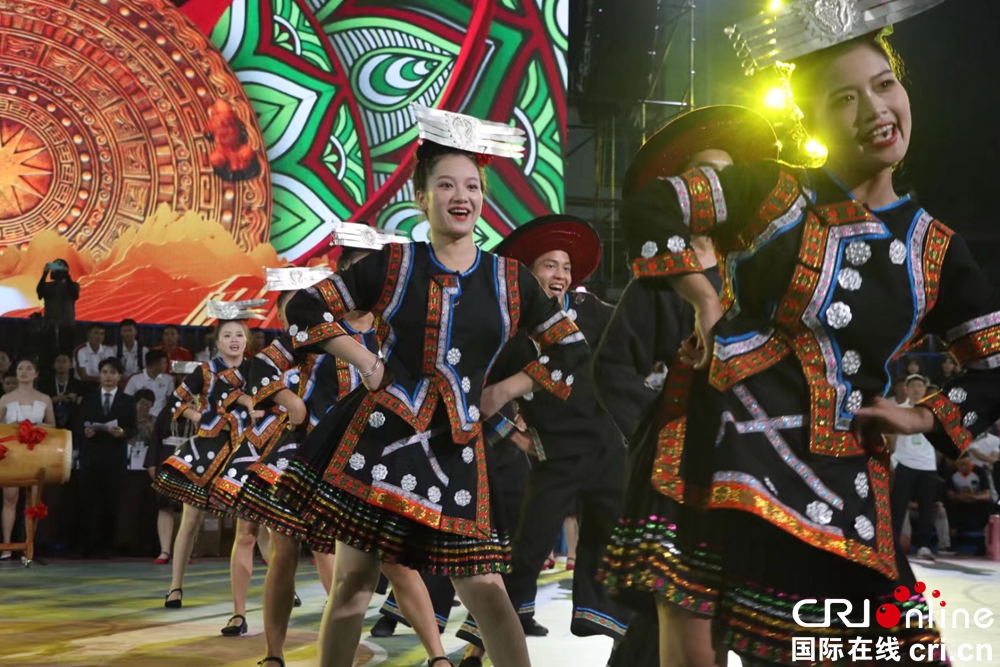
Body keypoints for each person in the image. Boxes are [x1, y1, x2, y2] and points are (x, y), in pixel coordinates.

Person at [617, 15, 1000, 662]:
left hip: (842, 481)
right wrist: (704, 298)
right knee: (694, 641)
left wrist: (920, 415)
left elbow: (993, 368)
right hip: (725, 448)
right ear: (811, 121)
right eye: (844, 99)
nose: (875, 110)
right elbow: (653, 206)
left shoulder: (935, 248)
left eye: (884, 85)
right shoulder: (771, 189)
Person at [272, 104, 586, 667]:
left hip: (456, 451)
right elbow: (304, 308)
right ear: (422, 197)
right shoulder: (392, 264)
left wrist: (503, 391)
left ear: (482, 198)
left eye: (471, 186)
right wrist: (364, 360)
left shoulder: (510, 279)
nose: (460, 196)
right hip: (377, 442)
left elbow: (571, 348)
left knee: (486, 589)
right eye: (445, 185)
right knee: (353, 586)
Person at [594, 105, 778, 667]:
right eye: (701, 176)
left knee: (766, 609)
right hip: (680, 468)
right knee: (672, 602)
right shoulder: (656, 282)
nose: (712, 189)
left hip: (760, 464)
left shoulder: (762, 274)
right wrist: (662, 423)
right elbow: (612, 367)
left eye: (725, 177)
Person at [489, 214, 630, 646]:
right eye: (550, 265)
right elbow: (478, 392)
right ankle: (490, 638)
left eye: (566, 267)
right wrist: (513, 435)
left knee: (609, 540)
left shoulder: (594, 312)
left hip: (607, 447)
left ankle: (605, 625)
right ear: (529, 272)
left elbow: (637, 336)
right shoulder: (511, 332)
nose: (560, 275)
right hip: (554, 456)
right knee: (529, 547)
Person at [153, 319, 253, 609]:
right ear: (217, 342)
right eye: (227, 335)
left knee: (254, 523)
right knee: (190, 520)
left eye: (239, 335)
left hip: (244, 450)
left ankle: (282, 585)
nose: (234, 340)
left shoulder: (255, 370)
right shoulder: (205, 371)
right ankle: (175, 586)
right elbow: (175, 401)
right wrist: (196, 416)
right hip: (206, 450)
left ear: (246, 341)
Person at [75, 358, 136, 559]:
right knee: (87, 501)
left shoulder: (127, 400)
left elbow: (133, 429)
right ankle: (86, 546)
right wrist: (85, 432)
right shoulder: (88, 398)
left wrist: (122, 433)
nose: (108, 376)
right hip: (90, 455)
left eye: (112, 372)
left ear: (119, 376)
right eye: (104, 372)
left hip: (114, 456)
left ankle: (107, 546)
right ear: (100, 375)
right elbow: (77, 425)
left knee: (111, 502)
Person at [0, 358, 56, 560]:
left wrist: (35, 426)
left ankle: (28, 545)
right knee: (10, 498)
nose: (24, 372)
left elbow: (53, 425)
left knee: (33, 499)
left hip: (36, 451)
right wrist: (14, 427)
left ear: (36, 374)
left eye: (29, 368)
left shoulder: (45, 398)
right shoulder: (6, 399)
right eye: (20, 368)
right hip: (12, 453)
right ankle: (7, 545)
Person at [891, 375, 941, 560]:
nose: (916, 389)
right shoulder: (899, 411)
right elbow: (892, 437)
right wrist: (892, 461)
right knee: (898, 507)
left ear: (925, 390)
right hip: (904, 463)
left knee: (927, 508)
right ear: (906, 389)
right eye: (913, 386)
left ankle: (924, 546)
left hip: (927, 465)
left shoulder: (934, 412)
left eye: (920, 386)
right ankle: (892, 546)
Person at [144, 401, 194, 565]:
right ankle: (165, 551)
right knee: (165, 505)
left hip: (192, 458)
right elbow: (156, 437)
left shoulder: (202, 410)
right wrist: (152, 462)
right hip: (167, 458)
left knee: (190, 508)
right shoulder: (167, 411)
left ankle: (185, 551)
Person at [945, 454, 993, 536]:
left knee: (989, 504)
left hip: (976, 500)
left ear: (971, 462)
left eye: (966, 464)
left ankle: (986, 532)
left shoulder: (980, 471)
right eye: (961, 465)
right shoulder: (952, 473)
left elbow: (987, 494)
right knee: (950, 505)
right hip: (960, 502)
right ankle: (952, 533)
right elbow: (949, 494)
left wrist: (974, 497)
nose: (964, 467)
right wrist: (960, 496)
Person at [124, 350, 174, 418]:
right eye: (164, 363)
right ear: (155, 364)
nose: (166, 365)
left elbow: (171, 401)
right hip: (139, 418)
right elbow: (126, 401)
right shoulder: (135, 379)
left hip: (161, 418)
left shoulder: (168, 379)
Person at [45, 353, 84, 430]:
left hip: (72, 423)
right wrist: (56, 399)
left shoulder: (78, 384)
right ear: (53, 365)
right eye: (59, 361)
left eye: (65, 361)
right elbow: (40, 404)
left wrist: (76, 400)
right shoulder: (45, 383)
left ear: (71, 365)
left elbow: (83, 405)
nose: (61, 364)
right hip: (50, 421)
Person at [36, 259, 80, 325]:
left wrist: (66, 275)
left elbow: (74, 293)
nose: (53, 271)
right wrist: (44, 274)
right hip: (51, 325)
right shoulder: (48, 286)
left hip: (65, 325)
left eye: (54, 269)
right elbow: (40, 292)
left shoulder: (72, 286)